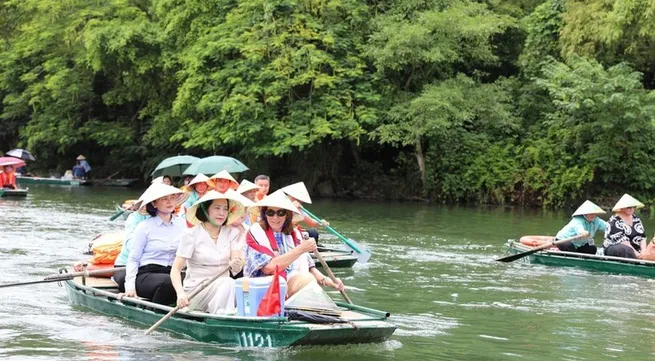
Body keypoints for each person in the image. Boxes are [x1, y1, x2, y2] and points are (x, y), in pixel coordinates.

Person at [244, 191, 344, 297]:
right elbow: (268, 268)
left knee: (309, 280)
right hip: (263, 289)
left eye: (281, 213)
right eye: (270, 212)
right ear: (265, 214)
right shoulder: (255, 232)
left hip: (288, 285)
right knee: (307, 280)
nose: (275, 217)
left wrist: (328, 281)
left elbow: (311, 268)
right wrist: (301, 249)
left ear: (287, 215)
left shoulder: (295, 234)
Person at [171, 190, 254, 313]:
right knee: (228, 282)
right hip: (197, 291)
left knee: (235, 284)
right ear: (205, 210)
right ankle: (223, 315)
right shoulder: (191, 234)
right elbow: (175, 270)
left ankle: (223, 314)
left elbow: (236, 268)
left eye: (225, 209)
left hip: (225, 289)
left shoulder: (231, 233)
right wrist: (180, 294)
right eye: (217, 208)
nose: (222, 213)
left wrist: (238, 263)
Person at [120, 183, 189, 305]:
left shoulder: (182, 224)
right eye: (164, 199)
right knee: (167, 283)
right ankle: (155, 312)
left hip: (173, 272)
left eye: (172, 198)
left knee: (191, 283)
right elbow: (133, 259)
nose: (169, 202)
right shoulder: (144, 227)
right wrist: (130, 287)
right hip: (147, 273)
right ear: (154, 203)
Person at [604, 194, 647, 259]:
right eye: (628, 207)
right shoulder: (614, 221)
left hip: (636, 249)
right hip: (616, 248)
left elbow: (642, 238)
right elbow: (623, 241)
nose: (631, 209)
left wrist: (644, 252)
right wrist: (637, 254)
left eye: (633, 207)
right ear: (622, 207)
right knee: (625, 250)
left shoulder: (636, 219)